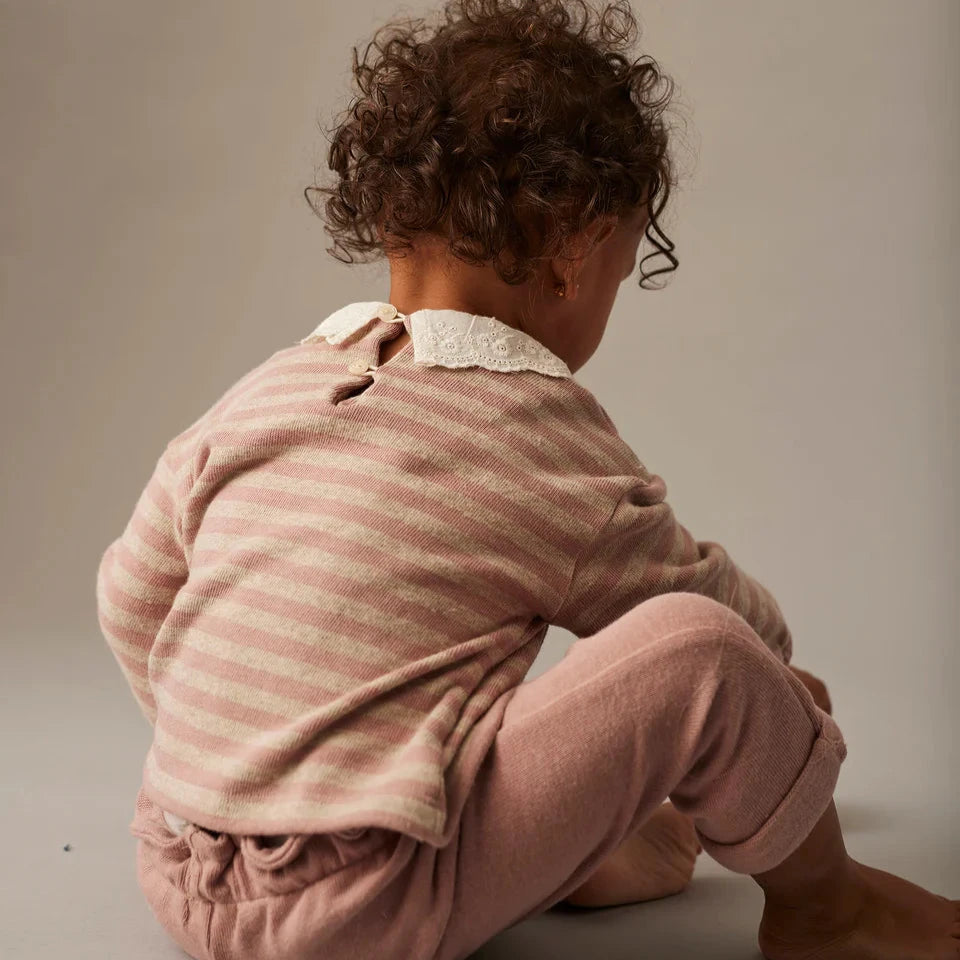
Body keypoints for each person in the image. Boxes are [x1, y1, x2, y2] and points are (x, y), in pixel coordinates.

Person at [96, 2, 959, 958]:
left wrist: (257, 771)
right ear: (574, 253)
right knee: (703, 653)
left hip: (179, 870)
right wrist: (782, 690)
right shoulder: (537, 431)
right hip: (360, 904)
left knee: (447, 699)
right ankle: (829, 915)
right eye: (623, 273)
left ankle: (555, 848)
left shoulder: (268, 393)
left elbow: (131, 600)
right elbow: (710, 624)